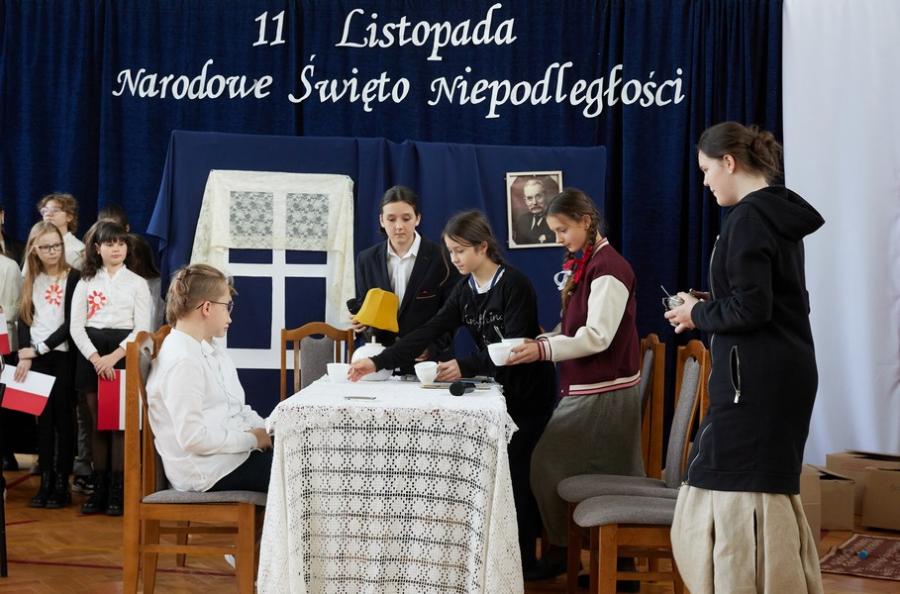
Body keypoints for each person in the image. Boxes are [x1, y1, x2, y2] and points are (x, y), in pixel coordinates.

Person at [664, 122, 825, 593]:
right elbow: (775, 301)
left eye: (706, 170)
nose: (705, 182)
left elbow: (754, 309)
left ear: (729, 162)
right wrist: (706, 304)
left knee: (733, 481)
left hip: (756, 385)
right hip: (776, 376)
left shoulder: (751, 218)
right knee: (751, 483)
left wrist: (697, 313)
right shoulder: (773, 215)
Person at [349, 210, 557, 571]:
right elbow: (428, 331)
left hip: (529, 396)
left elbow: (511, 348)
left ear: (482, 247)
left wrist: (465, 366)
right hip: (501, 393)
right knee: (508, 475)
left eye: (460, 251)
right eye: (451, 251)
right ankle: (508, 558)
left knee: (517, 475)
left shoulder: (515, 285)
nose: (455, 259)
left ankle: (527, 564)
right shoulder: (464, 290)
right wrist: (377, 361)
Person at [506, 188, 644, 581]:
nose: (559, 238)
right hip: (599, 387)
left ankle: (564, 550)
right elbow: (576, 329)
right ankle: (614, 561)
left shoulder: (609, 268)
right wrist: (542, 340)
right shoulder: (593, 263)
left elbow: (597, 336)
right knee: (613, 473)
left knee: (544, 465)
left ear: (585, 221)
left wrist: (542, 349)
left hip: (604, 391)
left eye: (563, 229)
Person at [146, 264, 272, 493]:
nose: (230, 317)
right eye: (227, 306)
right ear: (206, 308)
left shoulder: (208, 348)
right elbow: (193, 438)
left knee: (301, 456)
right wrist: (253, 440)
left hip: (229, 457)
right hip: (208, 471)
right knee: (303, 474)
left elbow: (236, 407)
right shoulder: (183, 361)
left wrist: (268, 431)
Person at [70, 221, 151, 515]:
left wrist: (114, 357)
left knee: (118, 425)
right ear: (97, 248)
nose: (116, 248)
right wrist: (95, 358)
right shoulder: (86, 281)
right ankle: (99, 488)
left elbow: (142, 327)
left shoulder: (137, 283)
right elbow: (76, 326)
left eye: (121, 243)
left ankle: (118, 490)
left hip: (122, 354)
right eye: (109, 244)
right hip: (91, 354)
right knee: (97, 424)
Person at [352, 186, 460, 372]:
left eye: (406, 218)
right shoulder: (366, 259)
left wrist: (432, 347)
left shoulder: (442, 258)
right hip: (381, 365)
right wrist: (360, 323)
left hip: (429, 366)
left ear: (418, 218)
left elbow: (452, 314)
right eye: (391, 219)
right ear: (381, 220)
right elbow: (366, 306)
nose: (399, 226)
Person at [15, 222, 80, 508]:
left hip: (62, 355)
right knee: (43, 422)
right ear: (34, 249)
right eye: (46, 247)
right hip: (35, 357)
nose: (53, 251)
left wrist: (39, 349)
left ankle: (62, 484)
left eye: (57, 245)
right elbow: (25, 318)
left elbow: (71, 324)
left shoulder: (73, 277)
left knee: (63, 421)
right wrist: (24, 354)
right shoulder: (31, 278)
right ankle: (46, 481)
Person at [37, 193, 84, 270]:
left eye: (55, 210)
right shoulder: (36, 245)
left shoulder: (78, 249)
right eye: (45, 211)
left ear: (69, 217)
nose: (48, 214)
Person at [512, 178, 554, 245]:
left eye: (538, 196)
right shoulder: (522, 220)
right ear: (525, 201)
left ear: (545, 196)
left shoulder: (556, 219)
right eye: (529, 198)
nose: (534, 202)